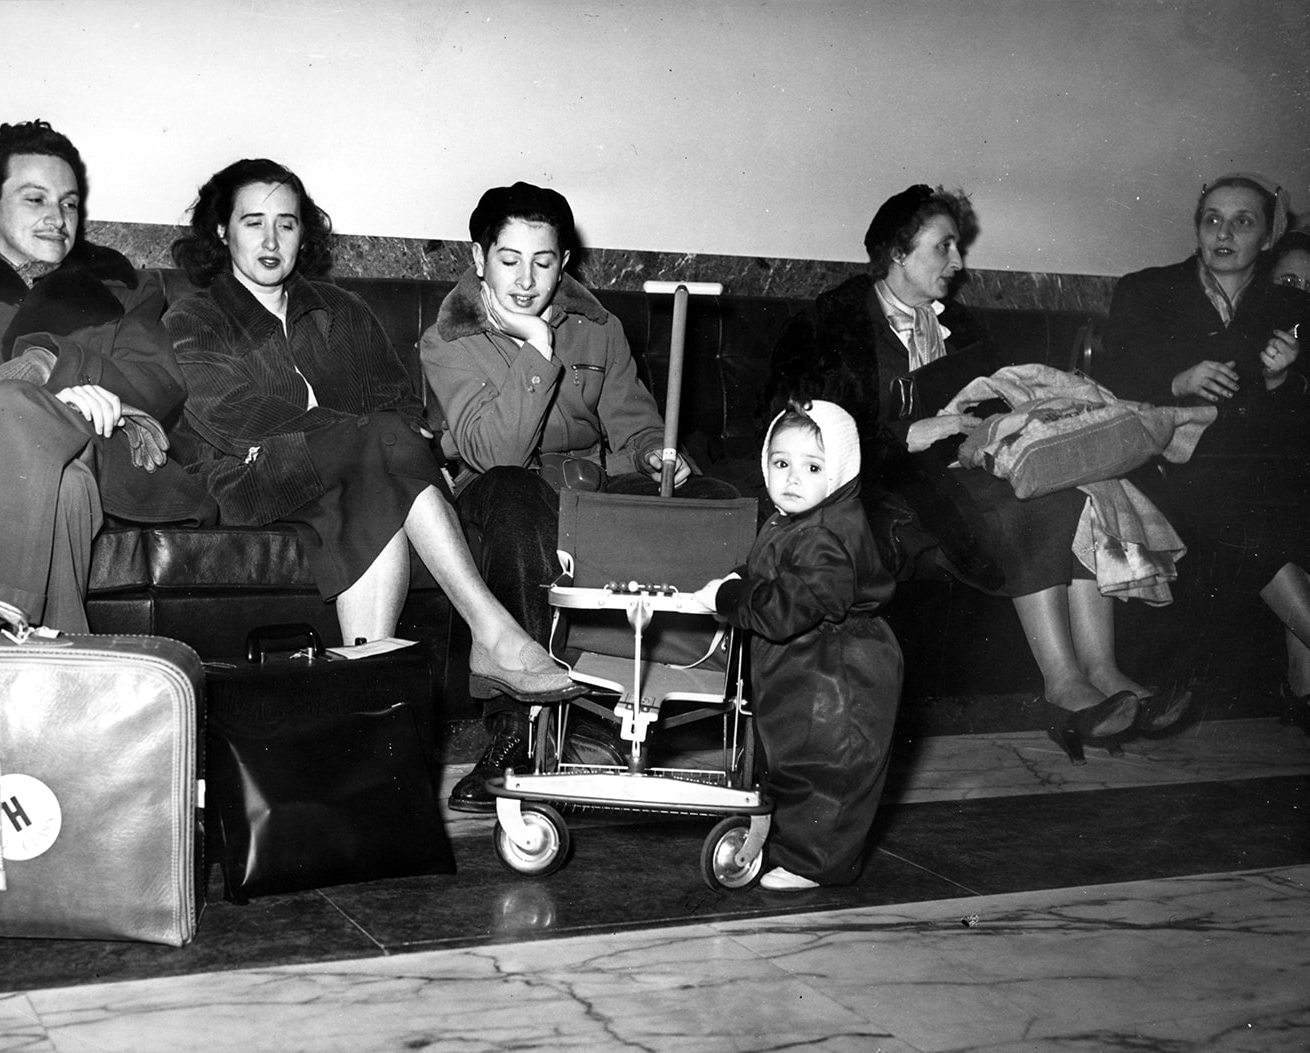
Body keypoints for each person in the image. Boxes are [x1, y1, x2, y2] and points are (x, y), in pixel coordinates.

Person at [765, 184, 1189, 763]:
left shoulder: (959, 325)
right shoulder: (831, 322)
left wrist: (981, 424)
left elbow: (1002, 400)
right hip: (885, 483)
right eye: (943, 248)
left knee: (1076, 491)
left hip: (966, 468)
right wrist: (906, 434)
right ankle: (1062, 686)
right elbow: (798, 427)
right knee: (1022, 505)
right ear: (897, 253)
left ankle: (1104, 671)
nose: (958, 263)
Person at [163, 158, 573, 704]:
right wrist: (372, 439)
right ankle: (490, 630)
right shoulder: (195, 318)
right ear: (222, 231)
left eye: (286, 223)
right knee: (378, 444)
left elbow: (402, 406)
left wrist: (378, 443)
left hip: (343, 483)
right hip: (247, 480)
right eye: (252, 222)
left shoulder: (344, 311)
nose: (270, 239)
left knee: (373, 471)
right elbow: (238, 419)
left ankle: (367, 693)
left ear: (301, 233)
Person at [420, 181, 738, 811]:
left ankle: (684, 706)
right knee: (514, 497)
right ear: (478, 258)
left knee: (713, 497)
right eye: (508, 260)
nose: (525, 280)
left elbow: (635, 423)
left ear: (563, 261)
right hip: (499, 486)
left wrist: (654, 451)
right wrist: (536, 348)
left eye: (543, 261)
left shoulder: (597, 327)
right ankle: (514, 735)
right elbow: (496, 454)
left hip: (591, 486)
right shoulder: (448, 340)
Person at [0, 119, 211, 633]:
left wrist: (52, 362)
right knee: (46, 460)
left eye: (68, 203)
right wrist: (61, 399)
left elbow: (158, 379)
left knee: (36, 427)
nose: (57, 219)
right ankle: (56, 661)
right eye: (35, 200)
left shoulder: (121, 287)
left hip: (107, 460)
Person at [1096, 173, 1310, 732]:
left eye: (1244, 221)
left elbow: (1292, 416)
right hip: (1170, 465)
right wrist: (1176, 379)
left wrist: (1282, 378)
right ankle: (1302, 685)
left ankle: (1303, 686)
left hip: (1257, 467)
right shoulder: (1147, 289)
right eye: (1212, 218)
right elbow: (1107, 376)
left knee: (1278, 502)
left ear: (1267, 237)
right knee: (1254, 516)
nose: (1224, 232)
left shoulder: (1285, 298)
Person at [693, 400, 902, 889]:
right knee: (789, 752)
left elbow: (783, 607)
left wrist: (729, 595)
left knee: (828, 762)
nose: (792, 478)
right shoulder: (792, 519)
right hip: (805, 661)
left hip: (839, 668)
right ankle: (792, 842)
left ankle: (815, 862)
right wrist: (740, 578)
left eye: (812, 467)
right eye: (781, 463)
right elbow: (770, 573)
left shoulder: (827, 534)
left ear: (843, 470)